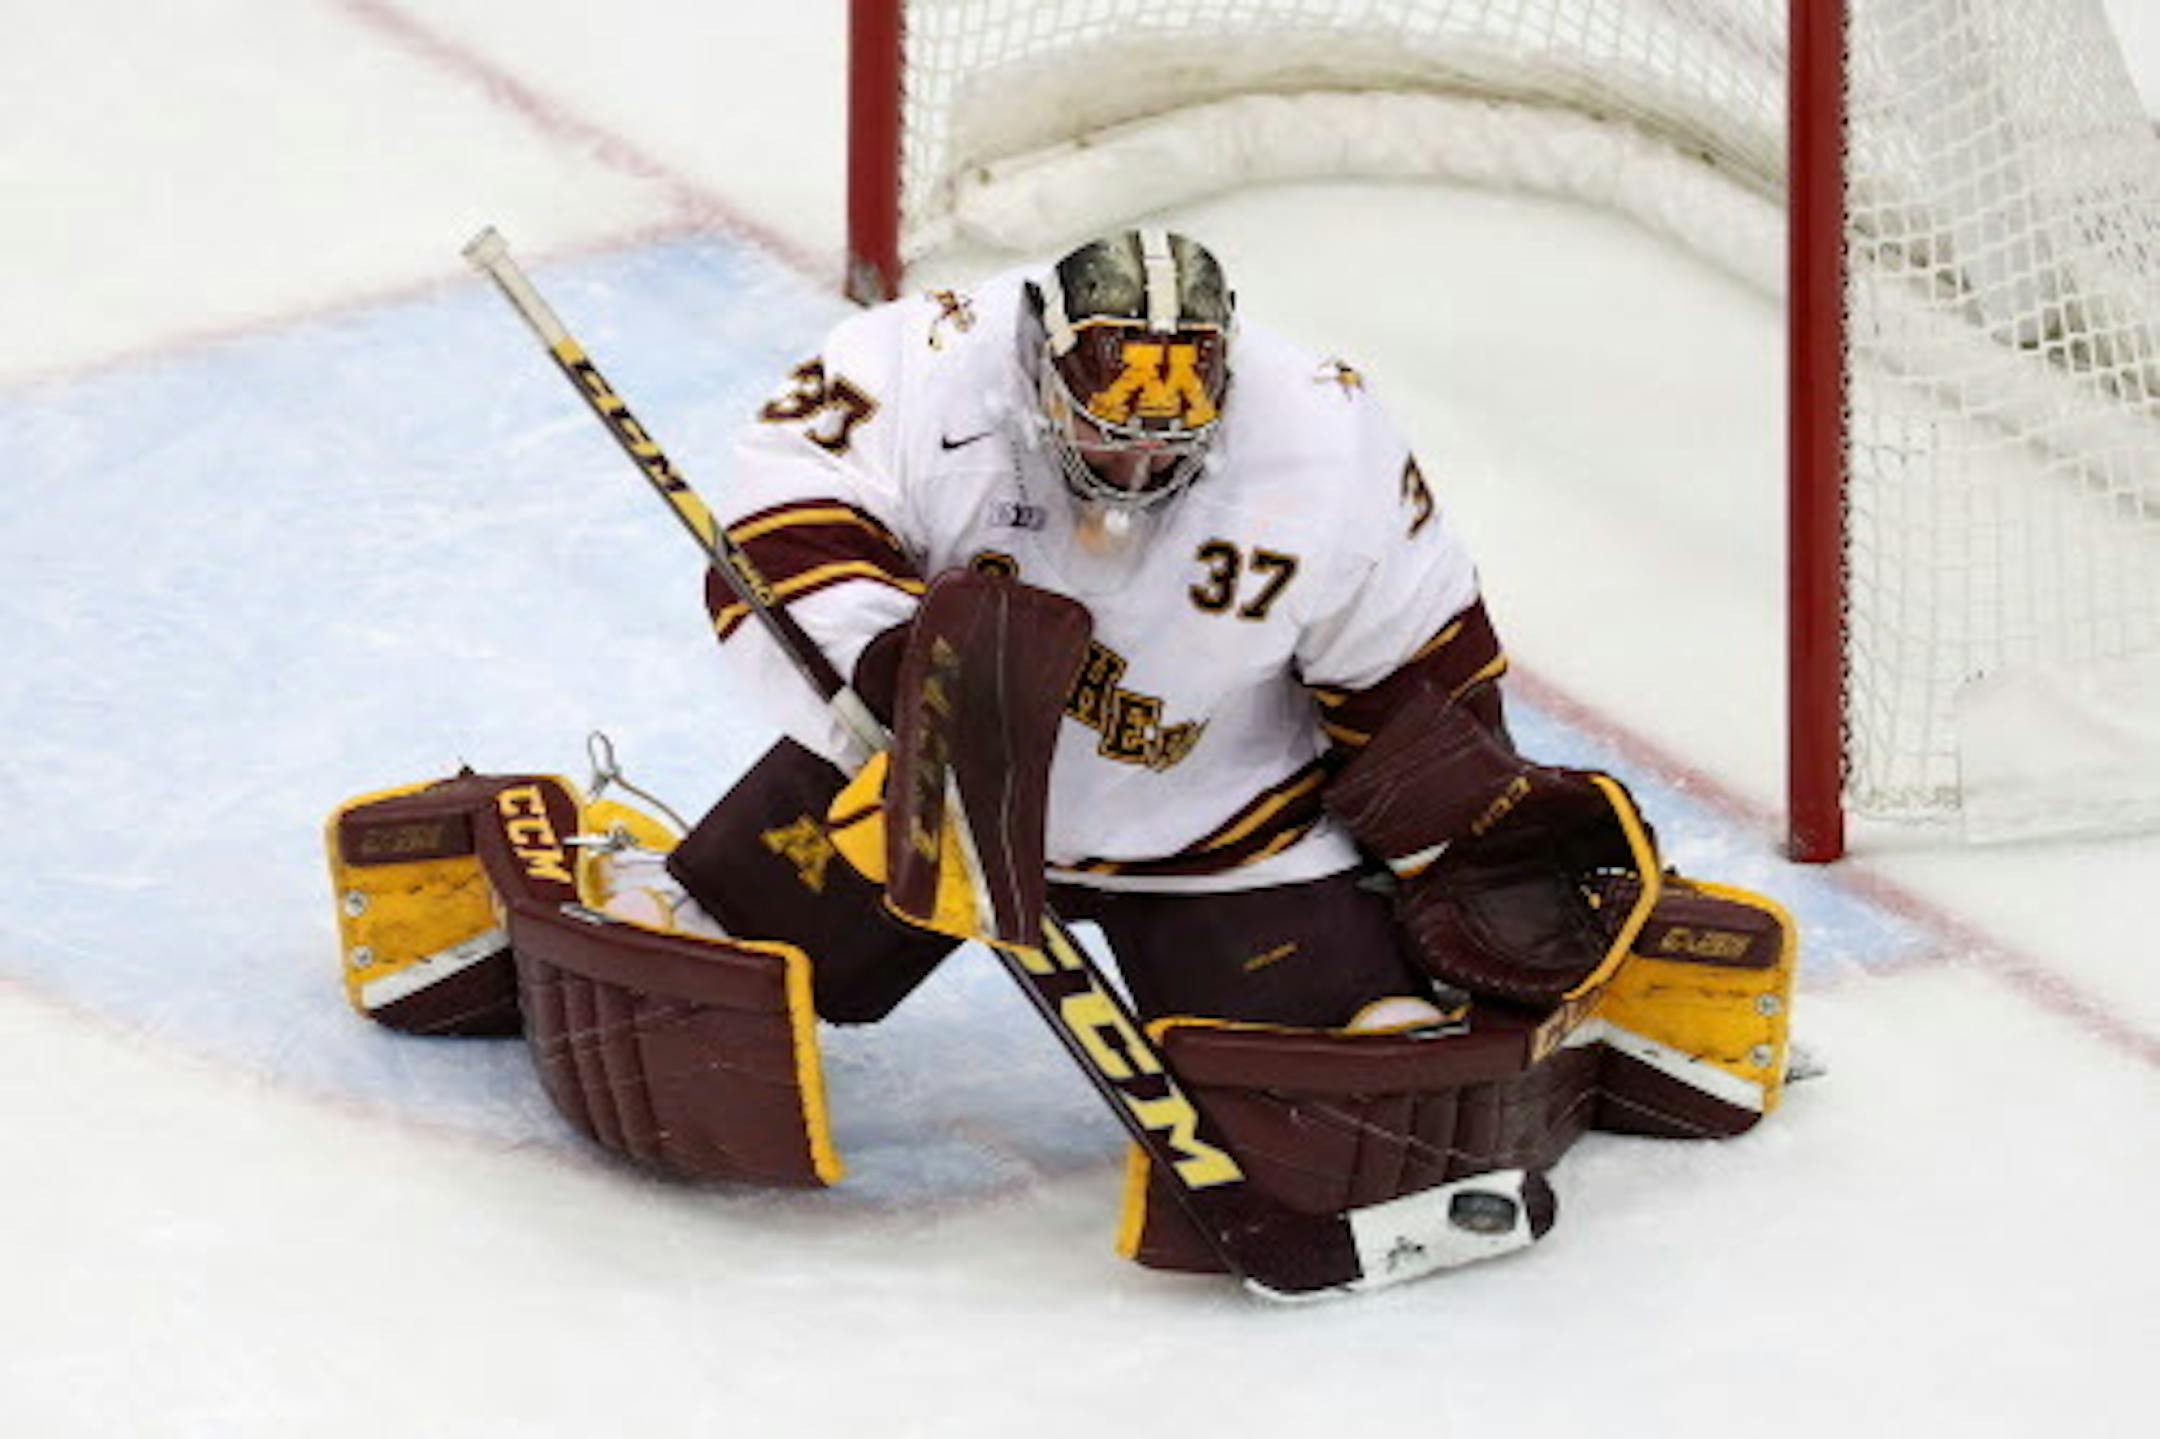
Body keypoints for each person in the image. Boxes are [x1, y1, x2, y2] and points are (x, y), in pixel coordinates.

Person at [663, 228, 1533, 1033]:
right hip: (922, 800)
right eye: (1109, 434)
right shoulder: (922, 365)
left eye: (1170, 446)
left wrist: (1474, 843)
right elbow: (787, 528)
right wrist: (897, 678)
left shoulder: (1327, 438)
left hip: (1221, 833)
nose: (1139, 468)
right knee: (699, 977)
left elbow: (1413, 668)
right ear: (1040, 368)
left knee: (1342, 1081)